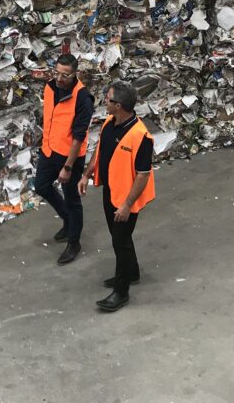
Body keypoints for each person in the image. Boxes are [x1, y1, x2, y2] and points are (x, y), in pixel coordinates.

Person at [78, 80, 155, 312]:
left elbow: (142, 175)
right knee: (118, 236)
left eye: (108, 99)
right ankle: (132, 272)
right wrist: (86, 175)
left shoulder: (141, 136)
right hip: (111, 190)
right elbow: (100, 151)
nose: (105, 102)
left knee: (119, 241)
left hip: (127, 199)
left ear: (119, 105)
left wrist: (127, 205)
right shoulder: (110, 124)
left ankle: (121, 292)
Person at [34, 53, 94, 265]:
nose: (59, 79)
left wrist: (68, 167)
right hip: (49, 150)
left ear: (75, 74)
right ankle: (67, 219)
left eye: (65, 76)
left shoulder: (83, 98)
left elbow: (79, 136)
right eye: (57, 73)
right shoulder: (50, 87)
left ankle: (74, 242)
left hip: (70, 158)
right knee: (40, 186)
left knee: (73, 200)